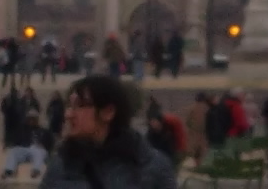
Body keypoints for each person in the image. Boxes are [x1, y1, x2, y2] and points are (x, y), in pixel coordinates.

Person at [37, 74, 177, 189]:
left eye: (80, 105)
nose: (69, 114)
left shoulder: (152, 167)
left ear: (108, 112)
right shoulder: (60, 165)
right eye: (69, 106)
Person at [3, 108, 49, 180]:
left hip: (37, 149)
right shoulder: (21, 129)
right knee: (13, 151)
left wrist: (43, 145)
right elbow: (15, 140)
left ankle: (36, 170)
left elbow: (49, 142)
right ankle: (9, 170)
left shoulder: (42, 130)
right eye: (30, 118)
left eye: (33, 119)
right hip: (24, 148)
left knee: (40, 152)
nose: (31, 120)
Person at [185, 94, 210, 163]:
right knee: (204, 151)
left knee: (195, 151)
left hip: (194, 133)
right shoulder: (207, 108)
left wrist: (191, 128)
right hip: (204, 133)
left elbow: (188, 121)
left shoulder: (192, 108)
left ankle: (196, 163)